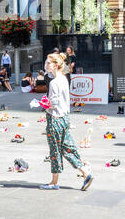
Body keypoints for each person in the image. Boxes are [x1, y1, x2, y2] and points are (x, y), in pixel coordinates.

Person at [40, 52, 93, 191]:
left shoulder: (54, 82)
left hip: (55, 119)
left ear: (56, 65)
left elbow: (53, 104)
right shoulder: (64, 78)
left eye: (48, 63)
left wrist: (42, 104)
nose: (46, 65)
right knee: (67, 149)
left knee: (55, 151)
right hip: (65, 118)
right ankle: (85, 173)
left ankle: (54, 182)